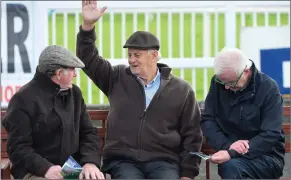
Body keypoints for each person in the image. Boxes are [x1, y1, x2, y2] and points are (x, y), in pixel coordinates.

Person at [76, 0, 203, 179]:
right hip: (123, 162)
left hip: (164, 162)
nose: (131, 60)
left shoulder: (181, 90)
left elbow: (192, 135)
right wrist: (88, 26)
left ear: (154, 56)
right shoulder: (116, 77)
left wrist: (188, 173)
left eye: (137, 55)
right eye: (129, 55)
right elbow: (88, 60)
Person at [2, 45, 104, 180]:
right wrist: (46, 169)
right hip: (35, 169)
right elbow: (18, 148)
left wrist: (90, 162)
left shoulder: (75, 94)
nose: (75, 74)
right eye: (72, 69)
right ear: (59, 73)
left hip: (69, 167)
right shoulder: (22, 99)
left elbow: (88, 133)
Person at [201, 47, 285, 179]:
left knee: (230, 167)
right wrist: (228, 147)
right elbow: (208, 120)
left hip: (266, 157)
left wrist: (233, 153)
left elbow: (270, 134)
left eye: (231, 82)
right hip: (231, 156)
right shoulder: (219, 83)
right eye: (222, 82)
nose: (226, 87)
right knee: (230, 167)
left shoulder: (268, 88)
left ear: (246, 71)